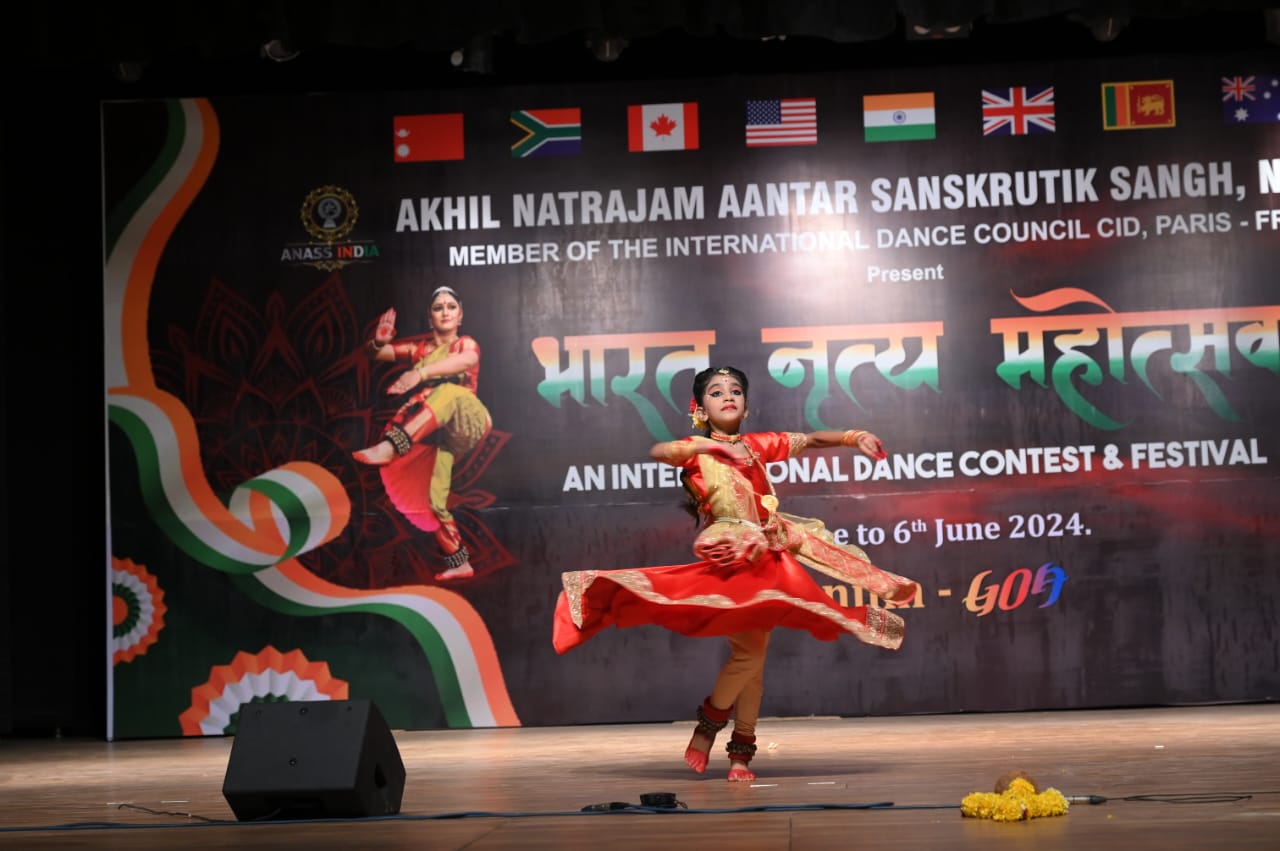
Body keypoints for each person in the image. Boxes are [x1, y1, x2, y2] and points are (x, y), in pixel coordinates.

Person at [552, 366, 918, 782]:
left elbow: (813, 439)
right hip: (732, 555)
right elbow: (661, 451)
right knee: (749, 657)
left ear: (745, 406)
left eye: (736, 391)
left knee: (753, 660)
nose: (728, 396)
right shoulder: (695, 448)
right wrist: (706, 447)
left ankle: (739, 753)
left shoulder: (758, 446)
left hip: (768, 555)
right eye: (716, 392)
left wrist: (855, 436)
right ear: (699, 409)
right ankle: (713, 729)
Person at [355, 286, 491, 581]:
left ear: (460, 315)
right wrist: (379, 342)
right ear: (430, 317)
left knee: (449, 392)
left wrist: (420, 373)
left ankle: (393, 446)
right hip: (440, 435)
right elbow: (376, 353)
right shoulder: (420, 349)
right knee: (433, 502)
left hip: (468, 419)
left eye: (451, 307)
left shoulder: (465, 344)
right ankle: (460, 562)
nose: (445, 312)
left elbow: (467, 361)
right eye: (438, 308)